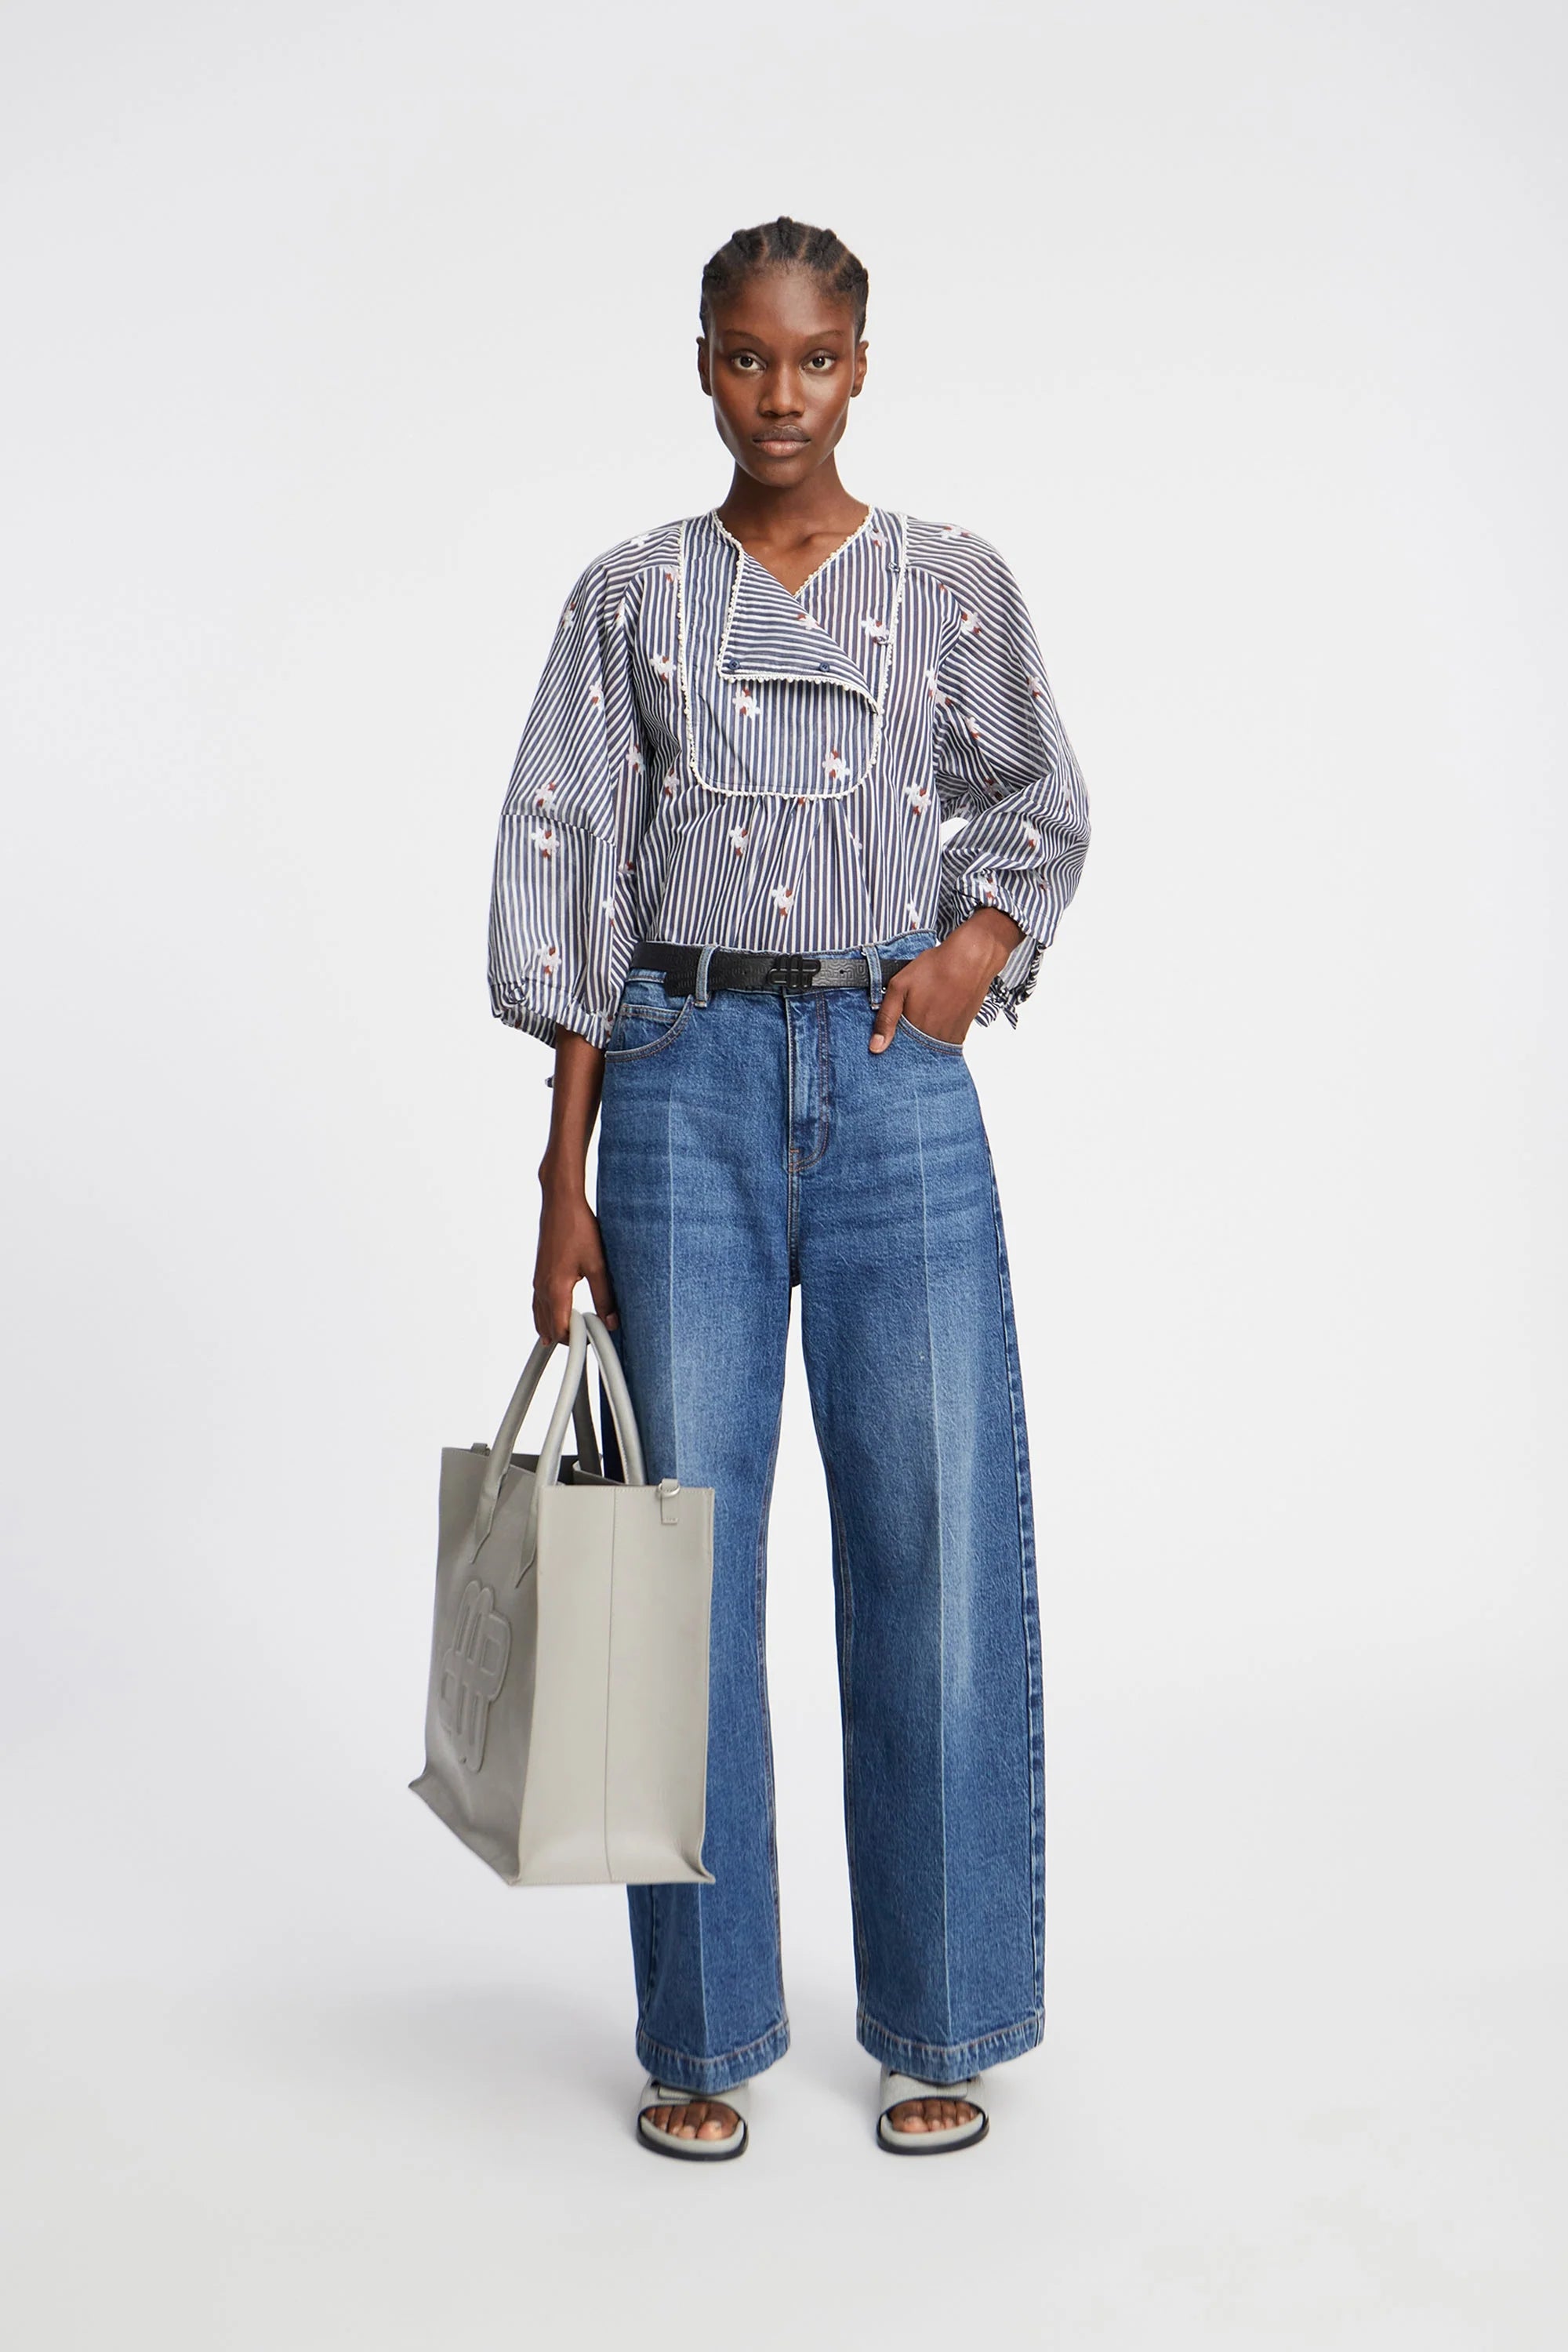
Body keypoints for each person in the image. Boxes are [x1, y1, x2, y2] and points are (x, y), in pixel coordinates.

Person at [487, 216, 1090, 2160]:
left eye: (813, 359)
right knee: (681, 1561)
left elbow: (1037, 804)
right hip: (682, 1086)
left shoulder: (949, 581)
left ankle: (941, 2014)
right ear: (700, 363)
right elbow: (575, 875)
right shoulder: (629, 598)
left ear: (861, 366)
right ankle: (704, 2028)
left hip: (896, 1081)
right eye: (746, 358)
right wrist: (561, 1180)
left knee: (935, 1541)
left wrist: (968, 954)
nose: (779, 396)